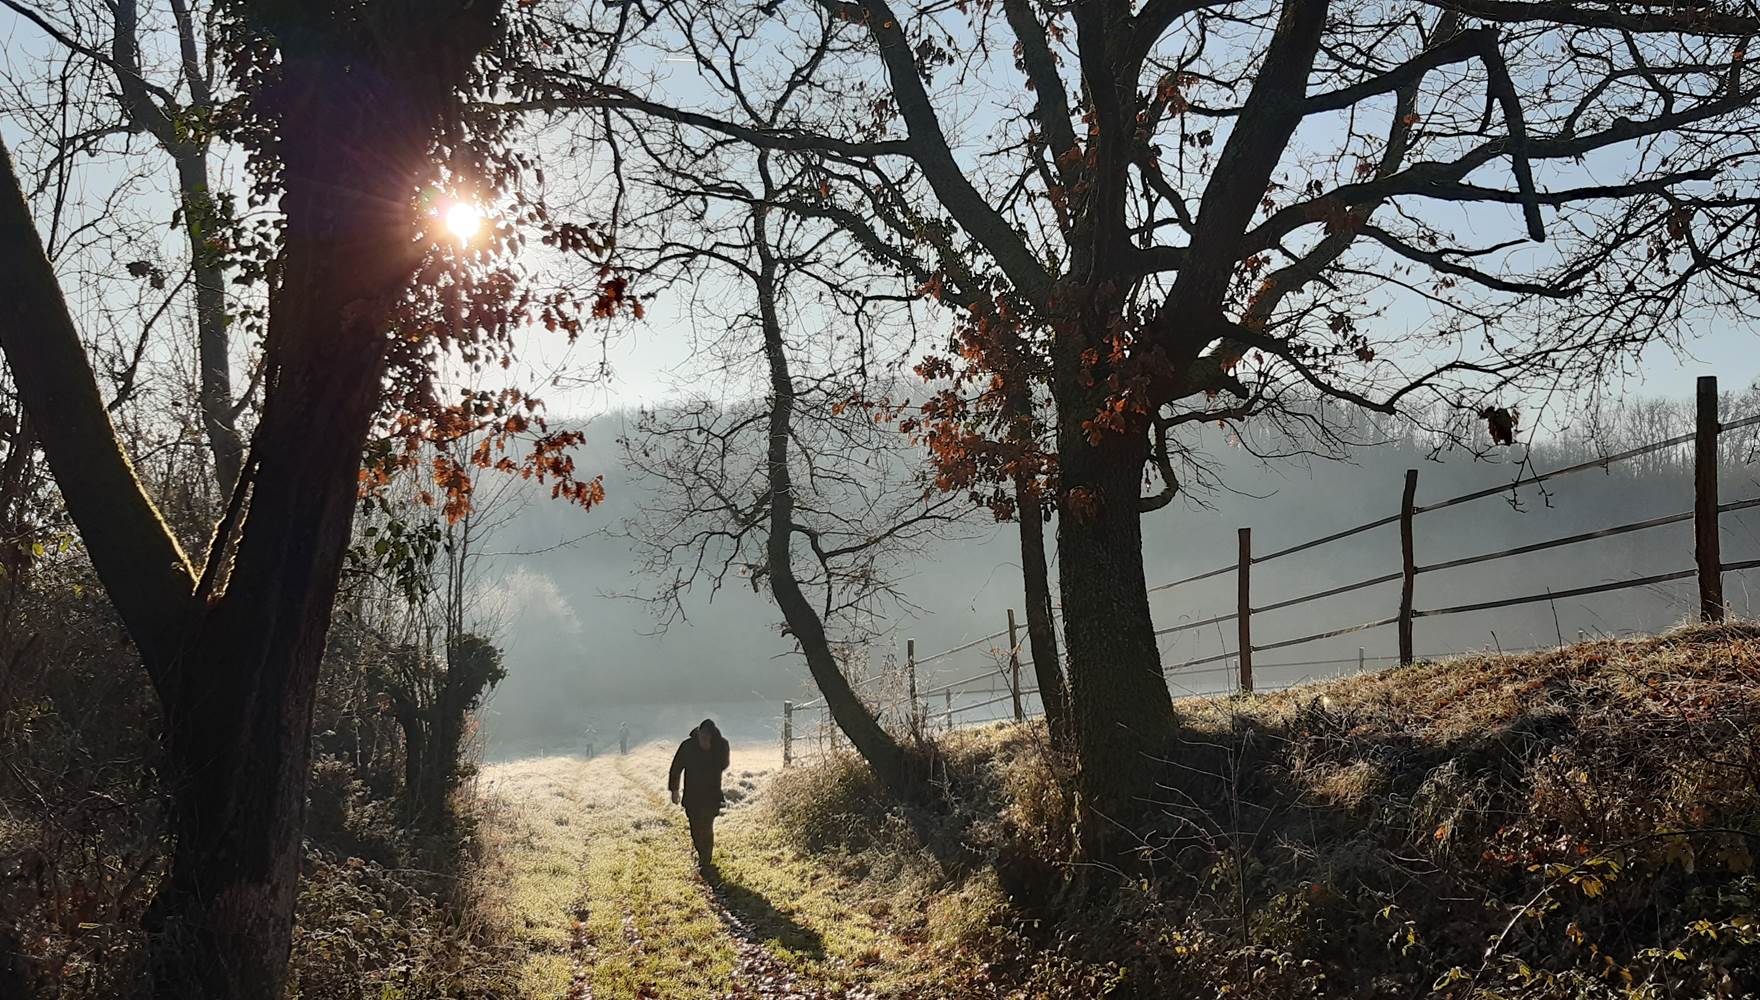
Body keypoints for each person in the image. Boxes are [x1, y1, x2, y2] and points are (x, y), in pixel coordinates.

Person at [668, 718, 730, 873]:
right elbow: (676, 767)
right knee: (695, 828)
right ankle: (701, 852)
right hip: (692, 795)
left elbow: (724, 765)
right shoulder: (687, 746)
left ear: (713, 736)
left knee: (707, 827)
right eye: (702, 736)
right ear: (698, 733)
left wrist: (711, 750)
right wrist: (674, 790)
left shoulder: (721, 745)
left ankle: (705, 860)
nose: (704, 740)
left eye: (708, 737)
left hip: (711, 794)